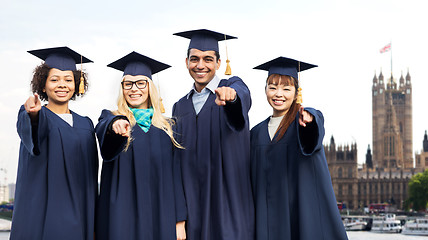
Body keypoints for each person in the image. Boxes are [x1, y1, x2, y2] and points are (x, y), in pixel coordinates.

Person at [251, 57, 348, 240]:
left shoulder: (301, 123)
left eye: (286, 89)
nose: (278, 94)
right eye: (272, 87)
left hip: (297, 219)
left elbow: (313, 133)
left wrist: (310, 120)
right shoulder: (255, 134)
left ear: (297, 93)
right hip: (264, 223)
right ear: (265, 90)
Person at [94, 51, 187, 240]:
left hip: (160, 213)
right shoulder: (111, 117)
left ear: (150, 87)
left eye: (140, 83)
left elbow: (176, 177)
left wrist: (180, 222)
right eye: (127, 84)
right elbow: (104, 131)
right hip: (121, 214)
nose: (133, 89)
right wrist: (116, 125)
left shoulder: (167, 128)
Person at [172, 29, 254, 240]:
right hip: (193, 212)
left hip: (228, 207)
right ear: (186, 62)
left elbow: (241, 100)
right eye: (194, 59)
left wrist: (232, 99)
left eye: (208, 59)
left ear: (218, 63)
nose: (200, 65)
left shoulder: (233, 87)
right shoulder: (179, 107)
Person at [12, 47, 98, 240]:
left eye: (68, 79)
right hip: (45, 215)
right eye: (54, 79)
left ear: (76, 85)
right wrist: (33, 115)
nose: (62, 85)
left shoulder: (86, 124)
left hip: (81, 213)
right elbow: (33, 131)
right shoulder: (37, 115)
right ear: (43, 85)